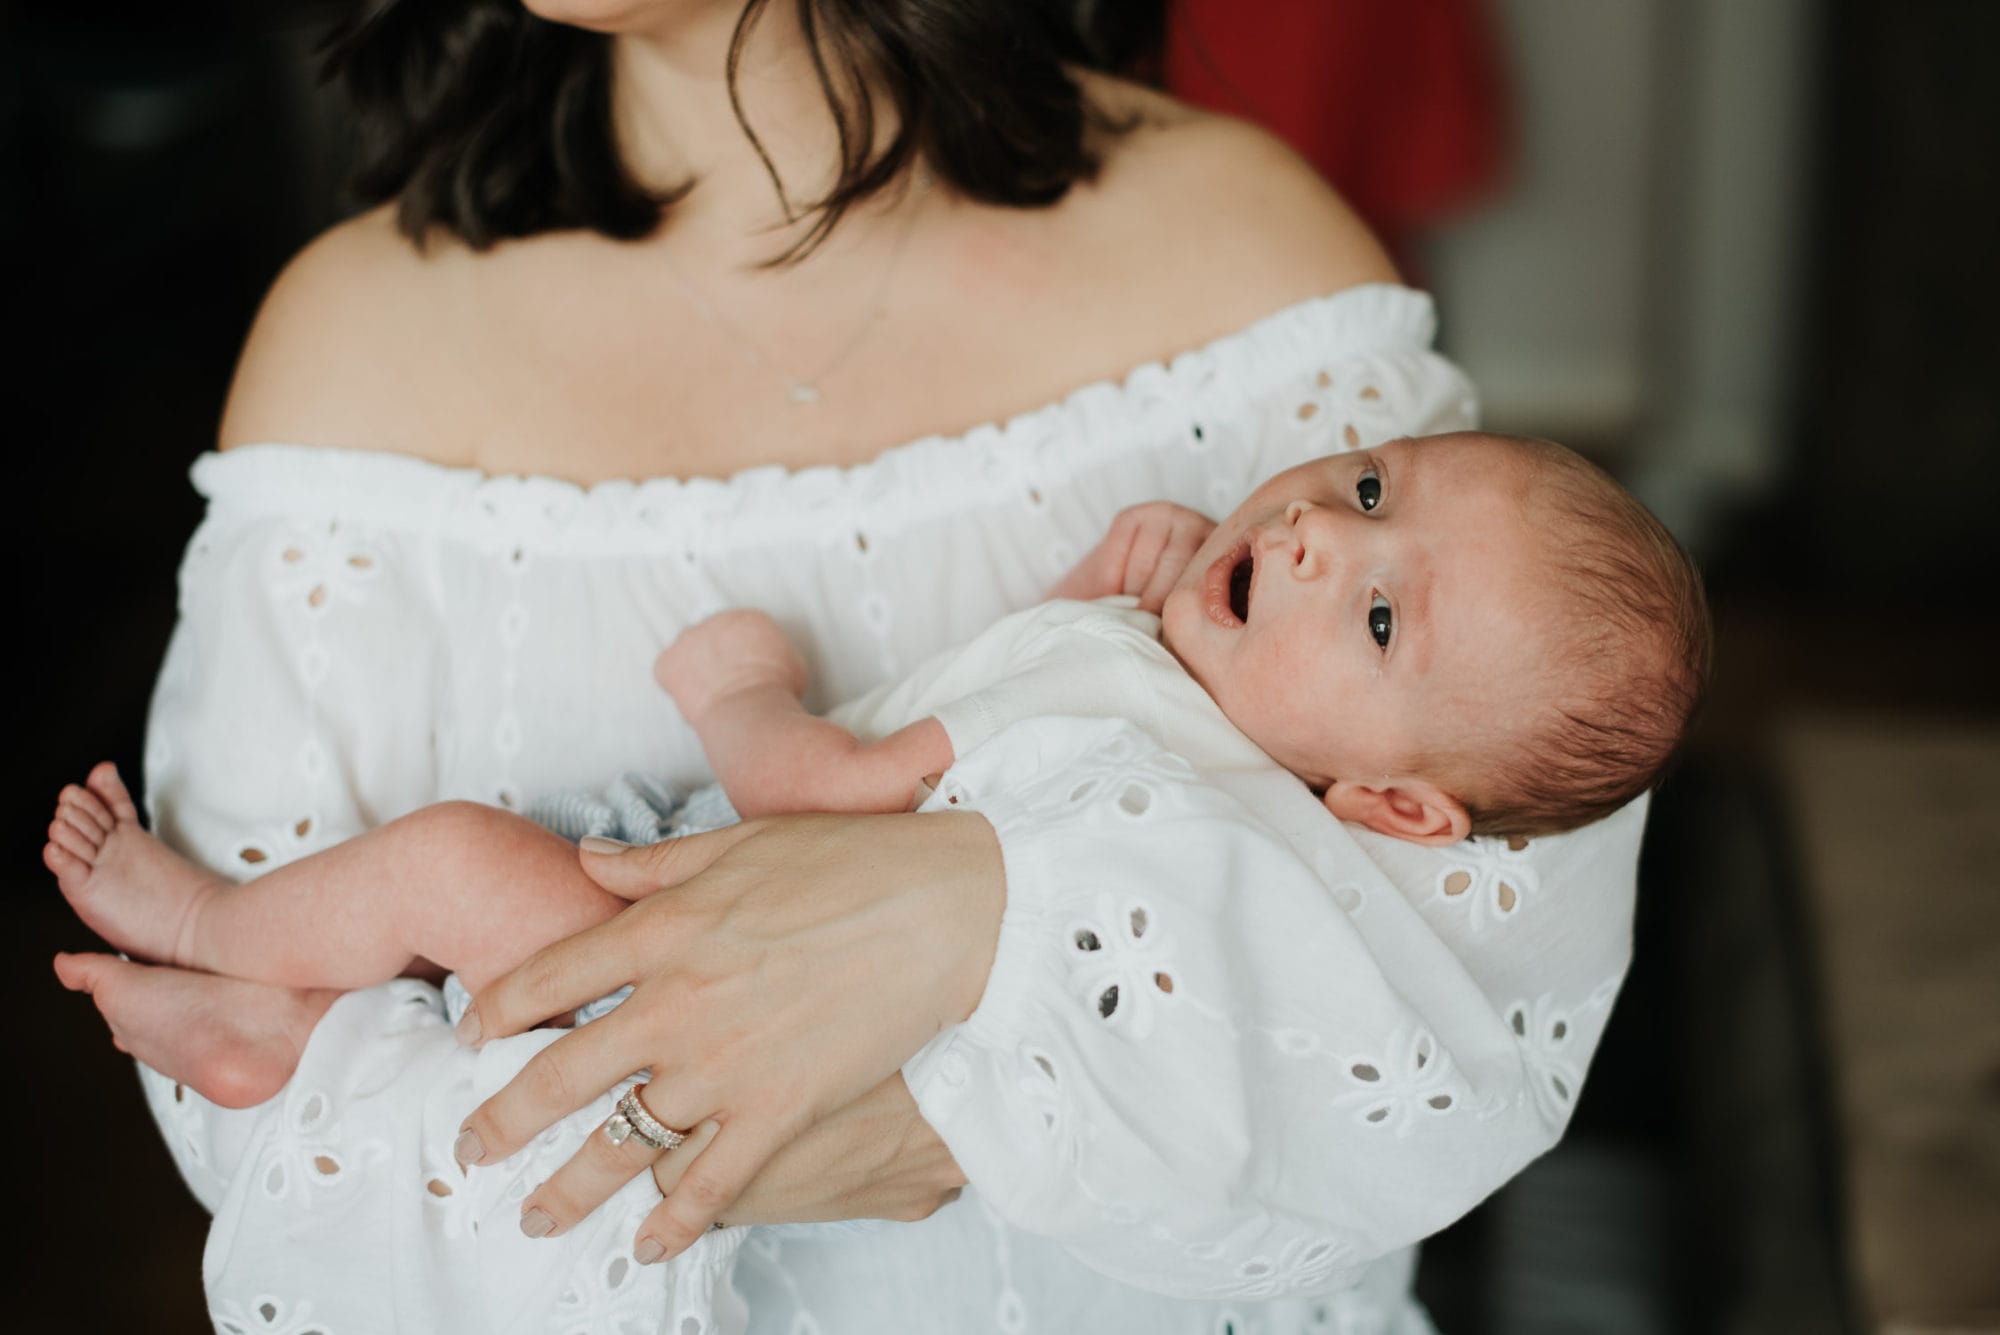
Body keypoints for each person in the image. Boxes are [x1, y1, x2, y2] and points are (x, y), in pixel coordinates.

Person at [50, 2, 1667, 1330]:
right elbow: (279, 1147)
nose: (1336, 539)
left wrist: (964, 917)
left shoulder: (1254, 256)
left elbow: (1467, 1011)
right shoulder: (351, 350)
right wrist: (809, 1123)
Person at [50, 432, 1705, 1112]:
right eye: (1364, 491)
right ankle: (288, 1030)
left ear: (1402, 808)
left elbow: (827, 799)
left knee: (455, 865)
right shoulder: (1181, 728)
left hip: (711, 955)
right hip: (737, 972)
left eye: (1386, 614)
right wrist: (1119, 598)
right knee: (455, 936)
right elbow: (1018, 692)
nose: (1316, 537)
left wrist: (743, 690)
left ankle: (205, 926)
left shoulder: (1139, 753)